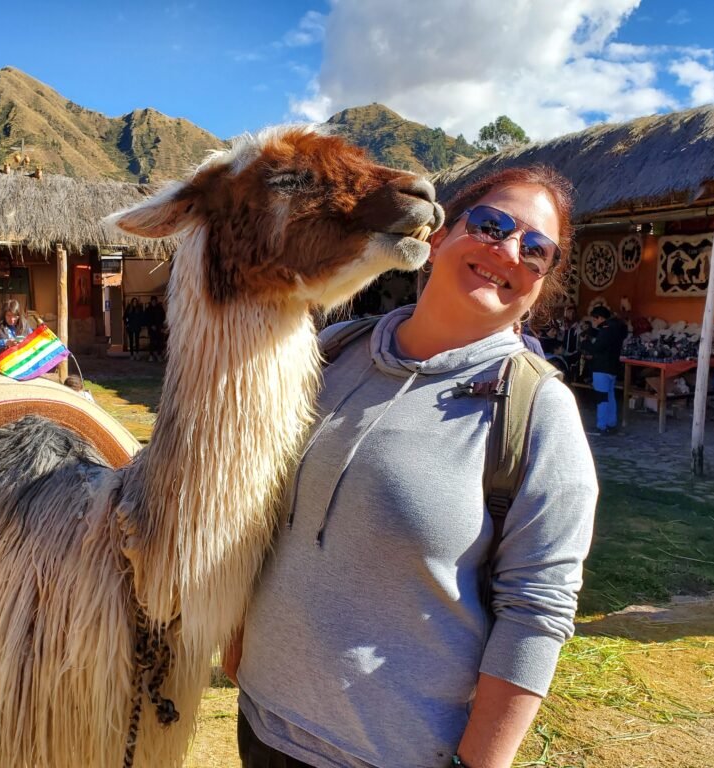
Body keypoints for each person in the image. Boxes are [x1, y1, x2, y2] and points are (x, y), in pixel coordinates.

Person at [225, 166, 598, 768]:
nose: (508, 251)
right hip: (263, 722)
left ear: (542, 282)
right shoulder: (333, 352)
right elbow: (263, 509)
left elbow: (537, 610)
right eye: (493, 225)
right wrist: (239, 638)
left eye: (536, 250)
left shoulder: (536, 412)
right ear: (441, 232)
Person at [584, 305, 628, 434]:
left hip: (601, 368)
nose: (594, 322)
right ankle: (611, 423)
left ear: (600, 318)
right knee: (610, 396)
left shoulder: (606, 329)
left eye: (594, 319)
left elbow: (598, 347)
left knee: (601, 398)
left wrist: (585, 343)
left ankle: (601, 426)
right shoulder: (618, 329)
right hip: (613, 368)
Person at [145, 296, 166, 362]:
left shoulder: (160, 308)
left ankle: (159, 355)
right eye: (152, 301)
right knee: (152, 342)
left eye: (155, 301)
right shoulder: (148, 309)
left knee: (159, 342)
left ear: (156, 301)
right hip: (152, 329)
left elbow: (163, 317)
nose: (154, 302)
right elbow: (146, 319)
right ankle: (151, 355)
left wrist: (161, 326)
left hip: (159, 328)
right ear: (151, 302)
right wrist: (151, 325)